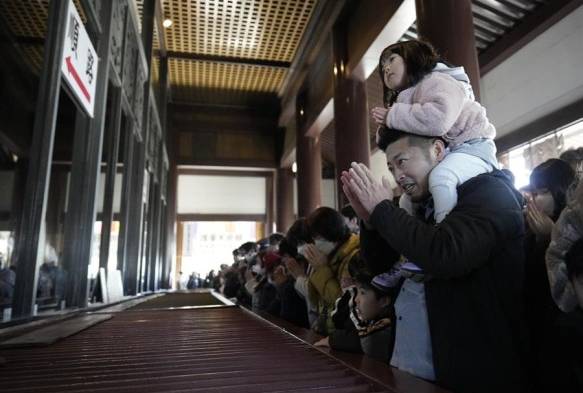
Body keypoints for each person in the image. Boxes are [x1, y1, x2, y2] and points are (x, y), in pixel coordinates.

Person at [341, 129, 527, 393]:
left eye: (402, 161)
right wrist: (371, 223)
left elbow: (445, 255)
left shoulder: (489, 193)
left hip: (472, 372)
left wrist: (383, 211)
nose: (397, 176)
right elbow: (380, 267)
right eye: (391, 168)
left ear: (438, 151)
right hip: (410, 367)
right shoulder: (419, 207)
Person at [370, 40, 497, 223]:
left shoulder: (438, 80)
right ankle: (413, 244)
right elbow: (396, 137)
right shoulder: (405, 97)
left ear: (413, 56)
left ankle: (443, 230)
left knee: (441, 177)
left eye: (391, 60)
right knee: (406, 200)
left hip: (473, 147)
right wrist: (387, 126)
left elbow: (439, 119)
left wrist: (392, 116)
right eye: (382, 67)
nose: (386, 69)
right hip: (450, 151)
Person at [523, 159, 575, 391]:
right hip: (537, 334)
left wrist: (552, 236)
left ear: (560, 191)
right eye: (531, 192)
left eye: (541, 192)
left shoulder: (573, 228)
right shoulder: (529, 229)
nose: (532, 200)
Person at [303, 207, 360, 335]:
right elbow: (315, 300)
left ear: (330, 233)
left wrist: (322, 270)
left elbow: (343, 302)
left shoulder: (353, 256)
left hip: (346, 334)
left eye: (316, 238)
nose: (313, 244)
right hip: (330, 332)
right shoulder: (329, 256)